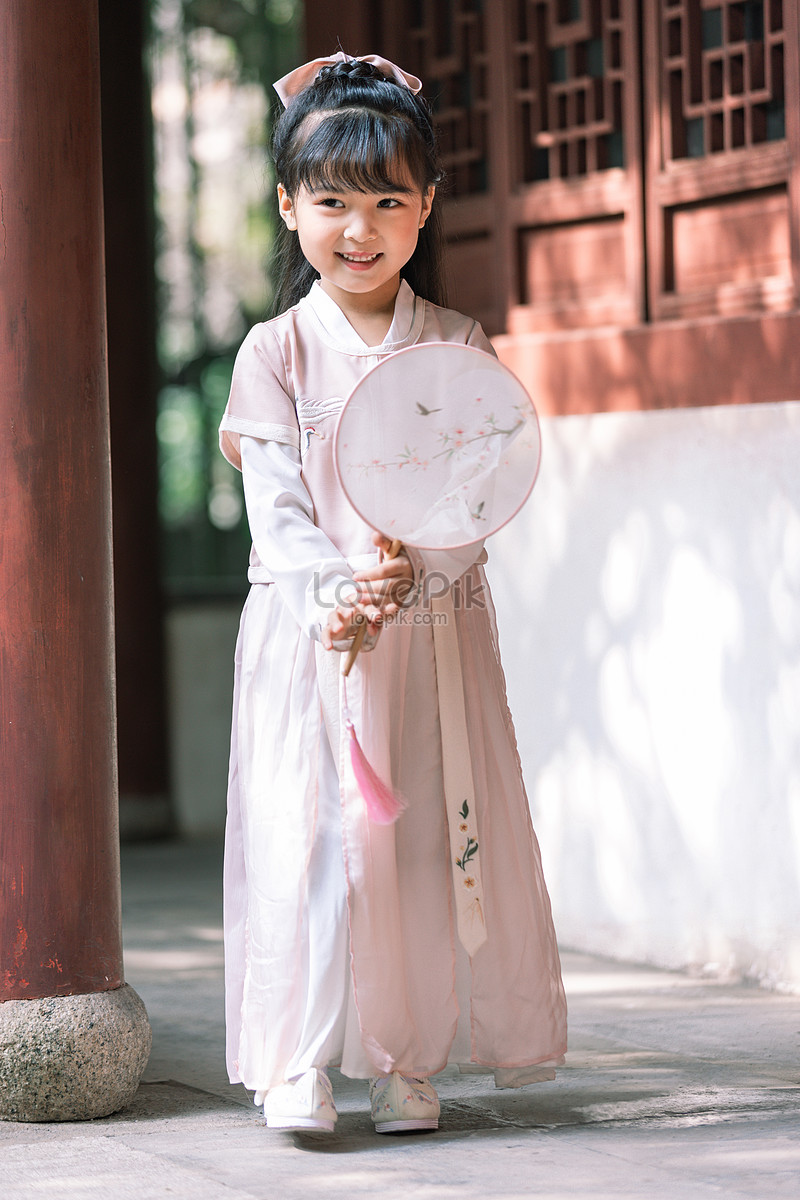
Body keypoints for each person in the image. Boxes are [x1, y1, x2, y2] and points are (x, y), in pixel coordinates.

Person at [219, 51, 567, 1136]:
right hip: (310, 634)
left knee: (422, 841)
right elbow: (273, 506)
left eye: (385, 201)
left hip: (427, 635)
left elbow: (480, 493)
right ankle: (298, 1062)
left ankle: (402, 1061)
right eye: (330, 200)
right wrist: (335, 588)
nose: (356, 228)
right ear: (287, 206)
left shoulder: (456, 346)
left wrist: (421, 562)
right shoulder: (273, 354)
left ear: (423, 209)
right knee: (311, 839)